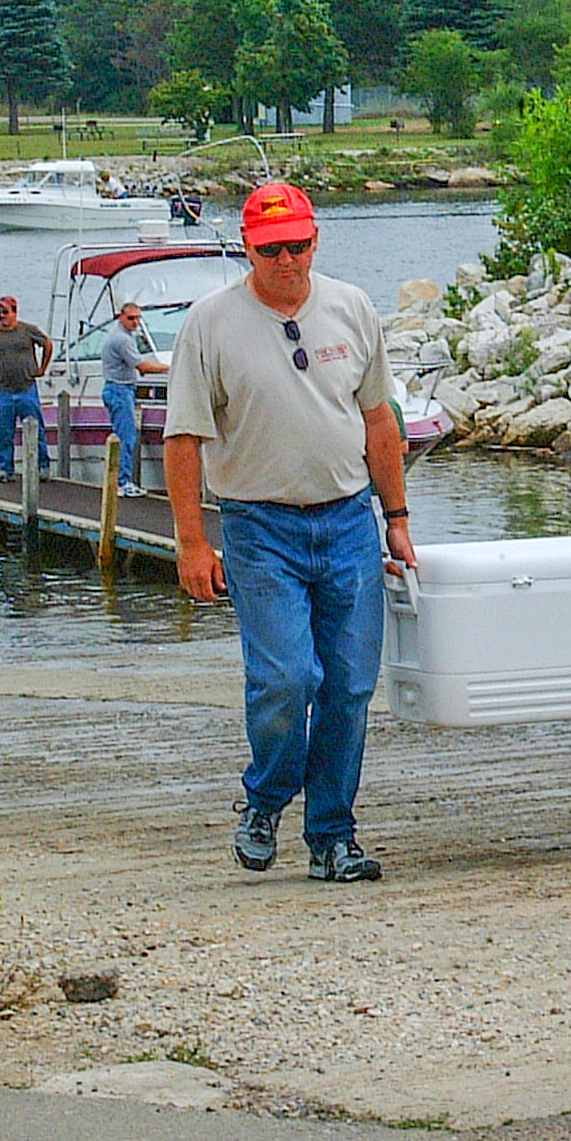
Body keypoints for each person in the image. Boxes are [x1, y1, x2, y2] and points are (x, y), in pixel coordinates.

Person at [163, 181, 416, 884]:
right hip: (258, 524)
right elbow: (183, 439)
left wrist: (396, 519)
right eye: (272, 248)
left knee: (347, 686)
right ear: (247, 247)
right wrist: (191, 541)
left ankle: (333, 836)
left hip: (347, 519)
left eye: (298, 245)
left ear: (315, 240)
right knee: (285, 677)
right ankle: (268, 796)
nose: (287, 259)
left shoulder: (351, 307)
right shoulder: (210, 325)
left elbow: (378, 421)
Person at [0, 295, 53, 482]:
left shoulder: (27, 331)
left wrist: (42, 369)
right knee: (4, 432)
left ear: (14, 312)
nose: (2, 316)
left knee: (36, 429)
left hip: (27, 388)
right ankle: (5, 469)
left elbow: (47, 343)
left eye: (5, 312)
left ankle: (43, 466)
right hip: (5, 390)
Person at [100, 302, 165, 497]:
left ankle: (123, 480)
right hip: (119, 390)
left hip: (122, 388)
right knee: (126, 437)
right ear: (121, 317)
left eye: (138, 318)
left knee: (125, 436)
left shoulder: (124, 336)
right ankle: (123, 482)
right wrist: (170, 367)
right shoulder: (122, 340)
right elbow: (142, 366)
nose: (135, 322)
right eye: (131, 318)